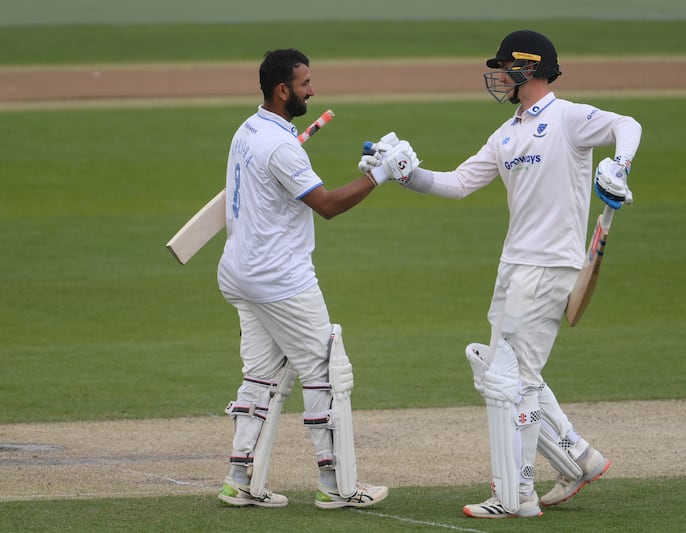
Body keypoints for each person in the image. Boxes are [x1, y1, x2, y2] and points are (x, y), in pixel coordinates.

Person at [360, 30, 642, 518]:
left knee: (516, 382)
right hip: (512, 267)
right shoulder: (506, 134)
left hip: (551, 266)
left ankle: (518, 495)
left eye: (504, 67)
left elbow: (628, 124)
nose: (497, 76)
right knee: (504, 373)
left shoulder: (567, 118)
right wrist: (404, 174)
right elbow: (457, 183)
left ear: (528, 70)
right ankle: (578, 458)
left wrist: (619, 165)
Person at [215, 48, 417, 510]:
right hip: (279, 279)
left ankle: (238, 478)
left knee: (261, 376)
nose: (313, 90)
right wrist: (382, 174)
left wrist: (363, 174)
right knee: (325, 374)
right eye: (305, 83)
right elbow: (326, 205)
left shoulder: (248, 129)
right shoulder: (282, 147)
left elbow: (293, 188)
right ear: (283, 89)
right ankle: (337, 485)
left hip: (239, 272)